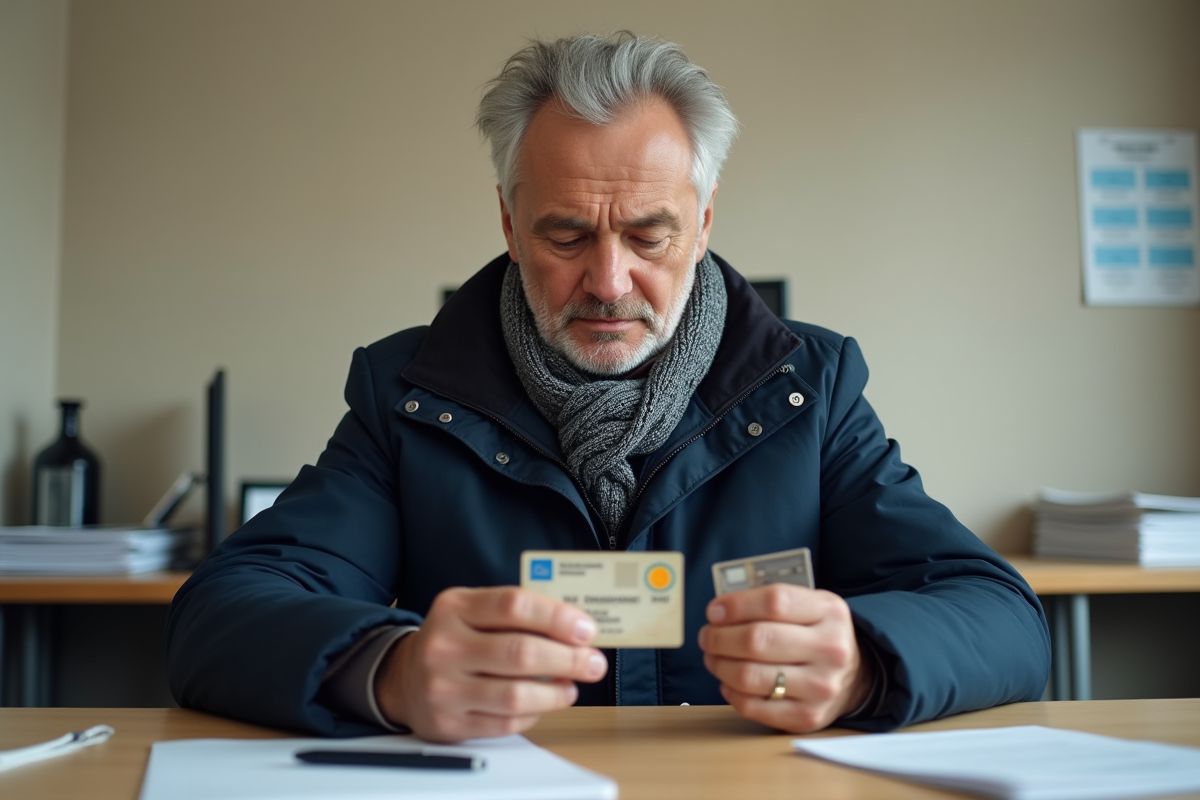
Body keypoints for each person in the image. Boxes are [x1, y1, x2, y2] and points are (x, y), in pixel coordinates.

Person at [166, 32, 1050, 742]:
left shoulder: (809, 391)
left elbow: (1002, 617)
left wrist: (862, 666)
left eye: (649, 236)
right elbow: (220, 614)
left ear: (704, 223)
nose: (609, 282)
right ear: (509, 222)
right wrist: (389, 671)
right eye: (566, 236)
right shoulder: (406, 394)